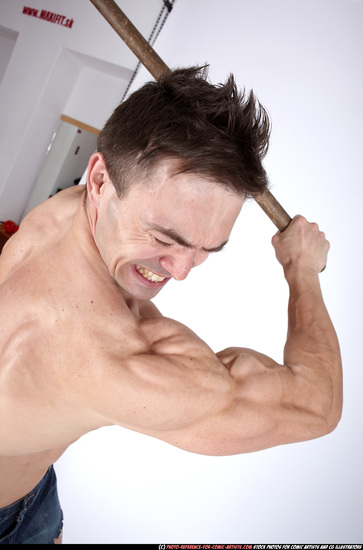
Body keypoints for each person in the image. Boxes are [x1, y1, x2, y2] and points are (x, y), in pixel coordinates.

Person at [0, 66, 342, 544]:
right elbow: (316, 407)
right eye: (165, 237)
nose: (180, 270)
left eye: (206, 248)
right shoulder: (113, 358)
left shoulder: (71, 209)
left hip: (26, 483)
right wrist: (301, 270)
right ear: (100, 179)